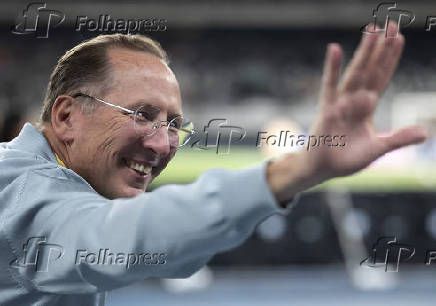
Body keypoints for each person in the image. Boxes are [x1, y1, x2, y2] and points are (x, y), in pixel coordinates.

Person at [0, 22, 427, 305]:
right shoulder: (23, 191)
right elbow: (123, 239)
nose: (162, 143)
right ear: (66, 116)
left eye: (174, 125)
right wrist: (296, 170)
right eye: (142, 114)